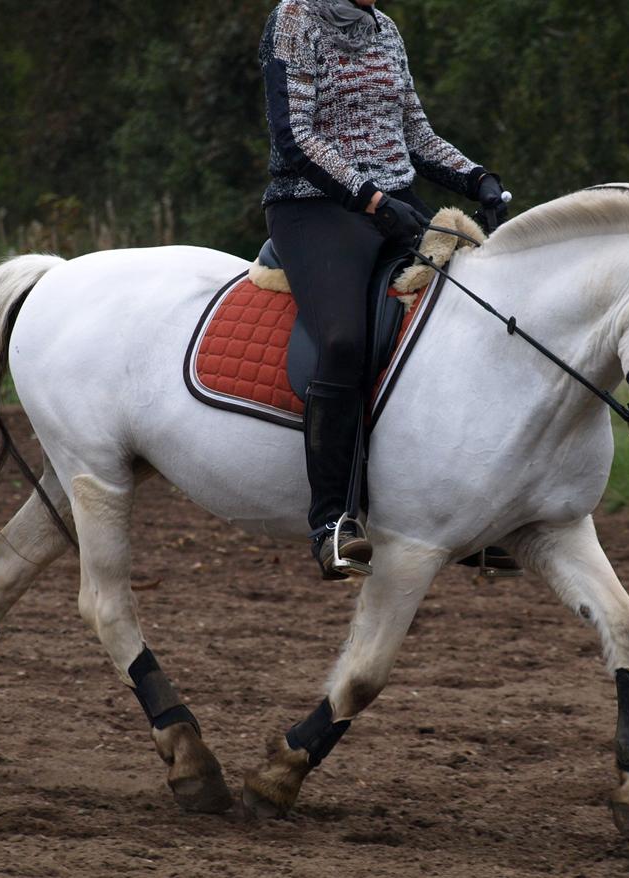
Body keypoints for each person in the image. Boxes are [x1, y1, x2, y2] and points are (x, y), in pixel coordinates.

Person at [259, 0, 508, 578]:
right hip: (313, 209)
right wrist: (369, 198)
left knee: (470, 318)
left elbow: (414, 134)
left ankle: (458, 508)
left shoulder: (384, 28)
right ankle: (332, 522)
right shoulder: (296, 18)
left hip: (392, 204)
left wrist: (478, 178)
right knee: (343, 341)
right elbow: (294, 136)